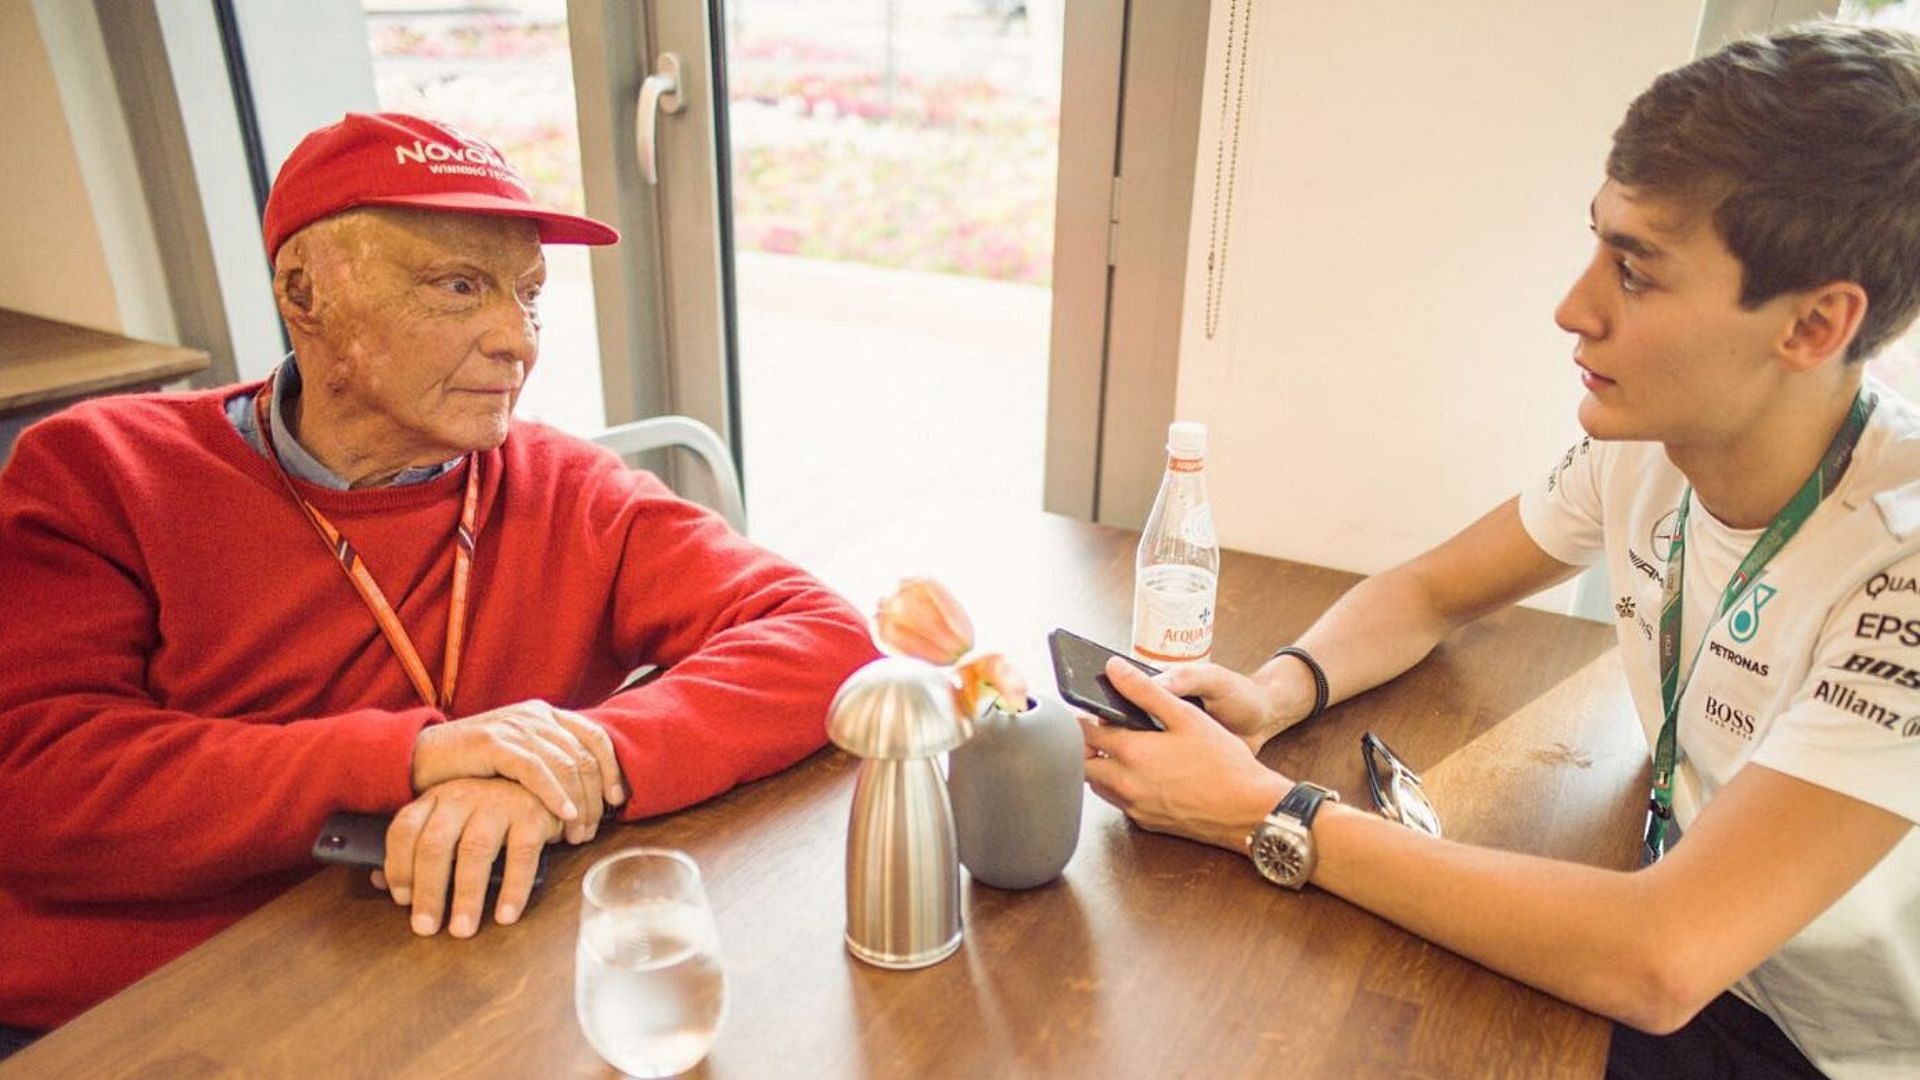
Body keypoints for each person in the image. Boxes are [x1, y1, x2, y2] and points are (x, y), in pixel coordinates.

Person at [1080, 23, 1920, 1080]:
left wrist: (1265, 811)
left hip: (1810, 1048)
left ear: (1813, 325)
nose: (1574, 308)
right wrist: (1274, 695)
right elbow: (1433, 589)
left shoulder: (1903, 565)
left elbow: (1661, 959)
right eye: (1596, 243)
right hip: (1664, 934)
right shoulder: (1650, 450)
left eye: (1636, 271)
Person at [0, 112, 876, 1042]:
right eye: (458, 287)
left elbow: (821, 637)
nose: (519, 342)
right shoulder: (101, 470)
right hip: (146, 1008)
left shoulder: (566, 487)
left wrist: (573, 761)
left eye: (529, 295)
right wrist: (411, 759)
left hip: (451, 973)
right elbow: (36, 782)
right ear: (304, 296)